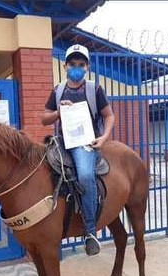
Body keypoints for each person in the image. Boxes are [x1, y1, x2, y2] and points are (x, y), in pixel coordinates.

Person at [41, 44, 115, 255]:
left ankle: (89, 232)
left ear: (87, 67)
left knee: (84, 175)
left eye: (81, 64)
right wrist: (57, 113)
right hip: (62, 142)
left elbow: (109, 116)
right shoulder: (58, 90)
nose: (76, 67)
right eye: (72, 64)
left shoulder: (94, 89)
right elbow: (44, 118)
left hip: (86, 144)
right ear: (65, 66)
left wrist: (103, 138)